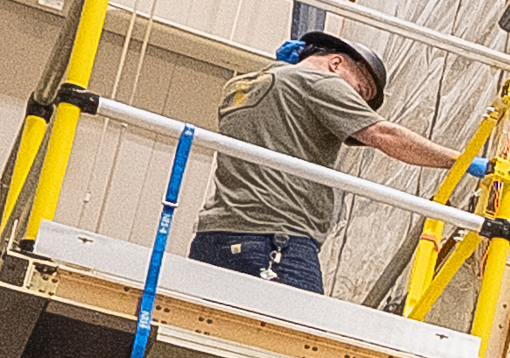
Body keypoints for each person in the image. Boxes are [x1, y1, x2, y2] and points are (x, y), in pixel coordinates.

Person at [190, 31, 455, 294]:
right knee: (298, 335)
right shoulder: (318, 81)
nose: (357, 102)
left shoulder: (243, 86)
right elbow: (382, 135)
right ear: (336, 63)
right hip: (275, 240)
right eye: (360, 91)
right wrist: (460, 162)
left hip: (212, 239)